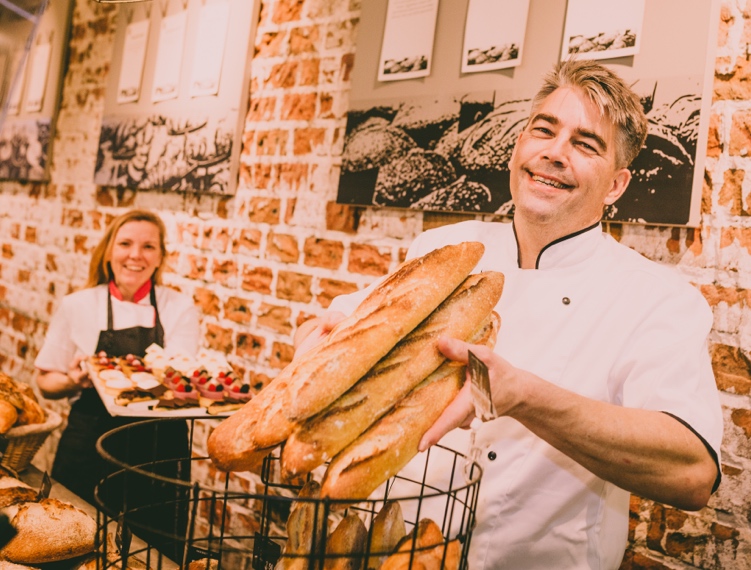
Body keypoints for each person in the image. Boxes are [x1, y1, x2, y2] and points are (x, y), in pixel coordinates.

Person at [295, 59, 723, 569]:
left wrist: (524, 397)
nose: (554, 152)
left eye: (586, 144)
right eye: (544, 130)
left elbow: (693, 474)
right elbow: (347, 325)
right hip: (399, 556)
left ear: (616, 186)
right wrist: (316, 341)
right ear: (519, 147)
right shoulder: (445, 248)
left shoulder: (655, 297)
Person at [34, 209, 199, 561]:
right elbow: (45, 382)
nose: (135, 255)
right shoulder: (78, 304)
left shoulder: (179, 307)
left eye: (148, 246)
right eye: (125, 243)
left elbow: (181, 380)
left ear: (161, 256)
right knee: (70, 542)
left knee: (154, 554)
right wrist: (74, 379)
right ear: (109, 250)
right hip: (90, 441)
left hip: (159, 447)